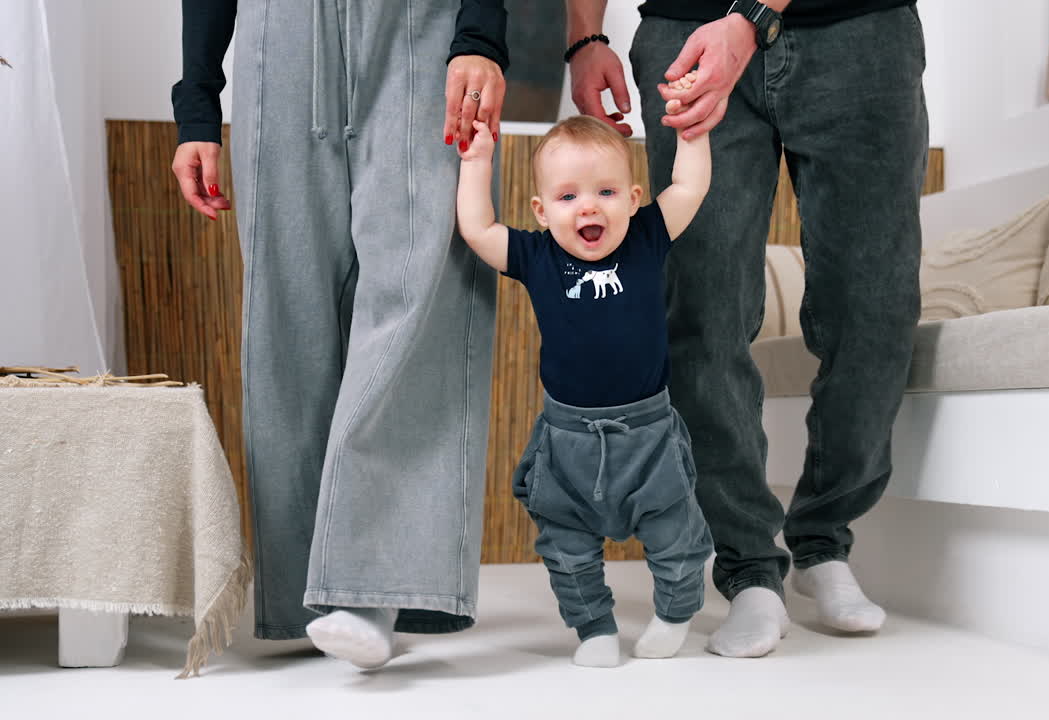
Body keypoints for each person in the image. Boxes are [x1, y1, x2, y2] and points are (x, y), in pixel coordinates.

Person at [567, 0, 929, 657]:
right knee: (702, 311)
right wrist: (585, 35)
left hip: (860, 32)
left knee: (875, 307)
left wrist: (750, 16)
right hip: (683, 28)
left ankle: (823, 537)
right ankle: (749, 569)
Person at [170, 0, 510, 669]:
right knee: (286, 309)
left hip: (423, 25)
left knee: (417, 291)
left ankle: (372, 587)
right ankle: (311, 590)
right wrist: (197, 101)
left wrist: (481, 34)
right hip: (282, 31)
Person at [454, 107, 713, 667]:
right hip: (567, 440)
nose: (589, 206)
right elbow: (477, 230)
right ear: (542, 213)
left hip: (649, 434)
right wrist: (477, 161)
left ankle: (675, 612)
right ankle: (593, 626)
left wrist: (693, 133)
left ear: (634, 198)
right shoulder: (538, 255)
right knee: (565, 545)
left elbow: (690, 186)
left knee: (676, 533)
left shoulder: (646, 236)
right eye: (568, 197)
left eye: (606, 191)